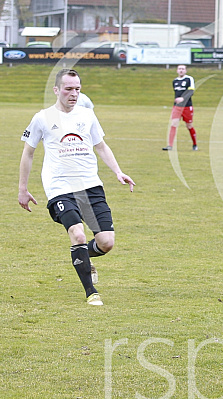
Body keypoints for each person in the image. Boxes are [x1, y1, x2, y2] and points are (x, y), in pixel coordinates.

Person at [18, 68, 136, 306]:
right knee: (78, 233)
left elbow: (101, 146)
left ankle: (81, 254)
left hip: (90, 185)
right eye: (68, 89)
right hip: (60, 187)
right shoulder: (43, 117)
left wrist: (118, 171)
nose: (73, 94)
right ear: (56, 90)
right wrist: (23, 188)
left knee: (106, 242)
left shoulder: (87, 115)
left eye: (77, 89)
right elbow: (28, 153)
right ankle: (91, 292)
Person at [162, 64, 198, 151]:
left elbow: (191, 91)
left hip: (187, 106)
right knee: (173, 124)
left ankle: (195, 144)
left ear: (185, 70)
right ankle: (170, 146)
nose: (181, 70)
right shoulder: (175, 81)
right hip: (177, 107)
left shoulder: (189, 79)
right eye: (179, 69)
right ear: (177, 70)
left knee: (189, 125)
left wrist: (183, 98)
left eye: (183, 69)